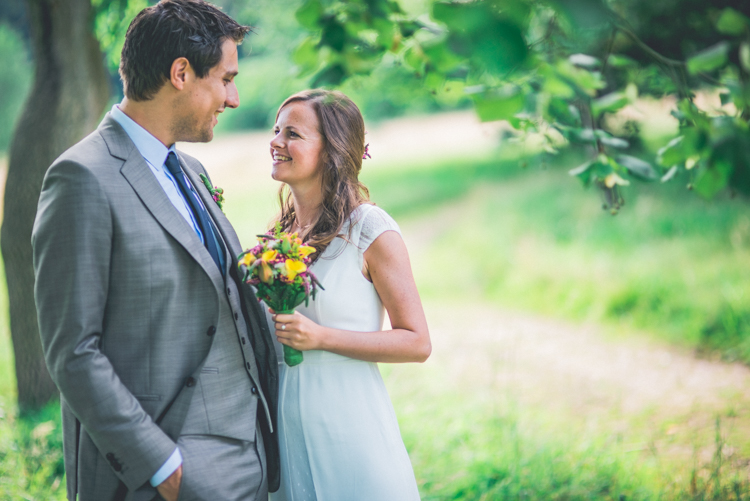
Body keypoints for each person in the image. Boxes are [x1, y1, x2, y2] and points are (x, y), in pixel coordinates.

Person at [32, 1, 278, 500]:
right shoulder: (81, 178)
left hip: (250, 457)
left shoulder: (192, 172)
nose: (233, 99)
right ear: (181, 73)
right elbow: (73, 352)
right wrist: (162, 466)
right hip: (167, 471)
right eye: (226, 79)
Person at [267, 89, 431, 500]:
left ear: (332, 150)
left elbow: (417, 342)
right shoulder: (277, 238)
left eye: (293, 134)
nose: (275, 142)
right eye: (275, 130)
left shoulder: (370, 229)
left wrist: (322, 338)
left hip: (349, 429)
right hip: (286, 433)